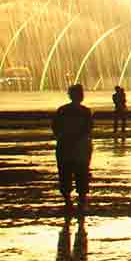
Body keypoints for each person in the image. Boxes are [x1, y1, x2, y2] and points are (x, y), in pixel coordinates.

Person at [53, 84, 95, 213]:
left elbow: (55, 127)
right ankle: (81, 202)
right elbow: (88, 129)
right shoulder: (85, 111)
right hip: (80, 147)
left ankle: (68, 201)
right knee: (81, 174)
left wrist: (63, 137)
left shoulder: (62, 110)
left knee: (65, 174)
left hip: (65, 146)